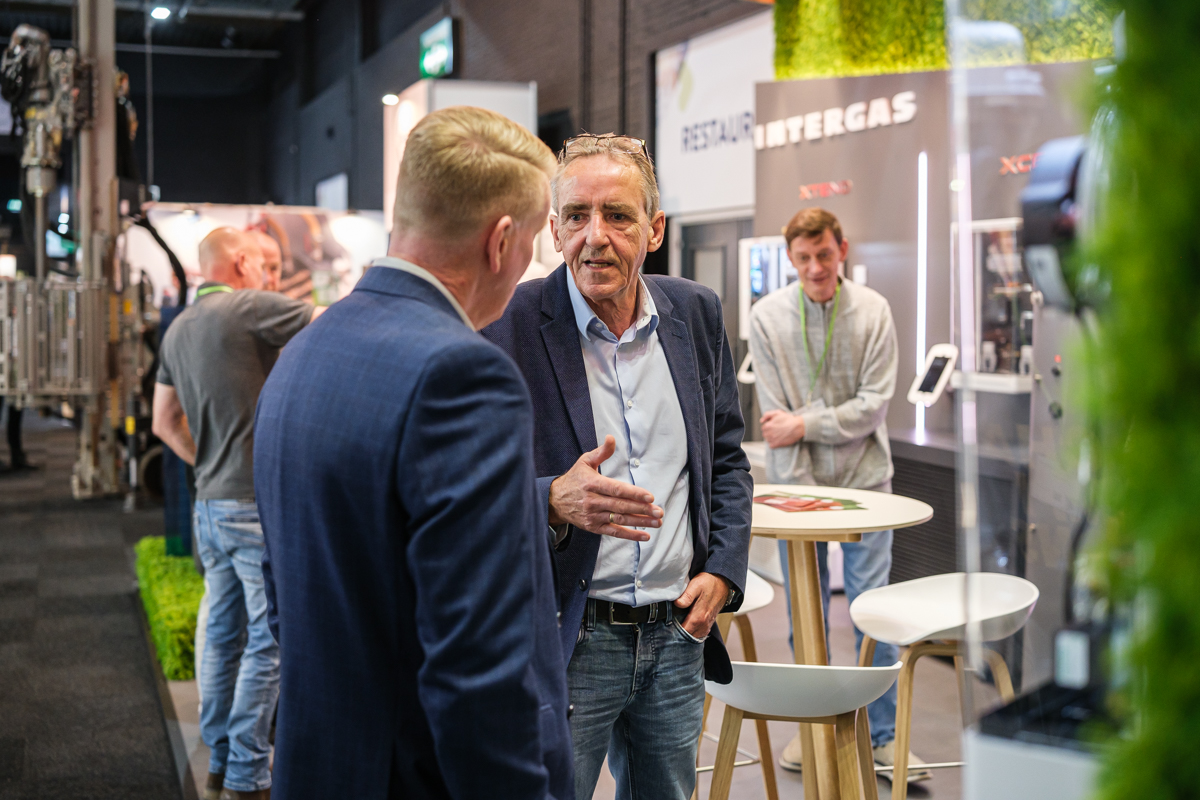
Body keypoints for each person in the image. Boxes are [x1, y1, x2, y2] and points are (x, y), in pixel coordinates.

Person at [253, 106, 573, 800]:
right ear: (501, 241)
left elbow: (285, 594)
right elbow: (477, 672)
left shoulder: (304, 350)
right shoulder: (465, 375)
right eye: (532, 245)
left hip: (320, 763)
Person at [482, 133, 753, 800]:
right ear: (553, 230)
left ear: (654, 229)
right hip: (569, 637)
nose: (595, 237)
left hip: (677, 633)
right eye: (576, 216)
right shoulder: (507, 324)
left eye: (618, 216)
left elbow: (725, 455)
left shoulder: (695, 313)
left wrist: (723, 570)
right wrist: (551, 498)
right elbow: (467, 487)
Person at [747, 207, 930, 782]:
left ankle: (883, 737)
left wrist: (805, 424)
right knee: (806, 614)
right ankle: (816, 727)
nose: (815, 267)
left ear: (842, 249)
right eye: (803, 258)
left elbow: (873, 408)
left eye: (824, 254)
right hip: (794, 488)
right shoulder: (766, 316)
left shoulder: (873, 311)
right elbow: (773, 420)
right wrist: (803, 456)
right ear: (791, 258)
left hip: (866, 482)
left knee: (874, 612)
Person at [152, 227, 323, 800]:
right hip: (252, 505)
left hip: (208, 503)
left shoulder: (179, 327)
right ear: (241, 261)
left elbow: (163, 422)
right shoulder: (248, 306)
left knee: (222, 632)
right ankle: (248, 773)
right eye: (264, 263)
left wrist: (210, 462)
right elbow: (338, 319)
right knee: (268, 640)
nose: (271, 275)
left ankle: (221, 759)